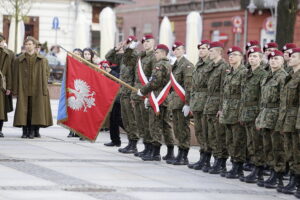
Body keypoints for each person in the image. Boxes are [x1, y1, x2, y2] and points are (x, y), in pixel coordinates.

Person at [255, 50, 287, 189]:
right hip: (265, 115)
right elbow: (262, 100)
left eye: (276, 58)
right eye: (271, 59)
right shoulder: (267, 76)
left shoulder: (283, 77)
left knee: (277, 147)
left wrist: (281, 121)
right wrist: (260, 117)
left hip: (276, 116)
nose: (273, 61)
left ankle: (278, 175)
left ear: (282, 61)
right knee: (267, 146)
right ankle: (272, 172)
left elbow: (284, 102)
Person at [137, 44, 174, 161]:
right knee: (166, 125)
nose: (155, 54)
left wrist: (142, 91)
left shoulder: (159, 65)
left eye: (157, 52)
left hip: (157, 98)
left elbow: (154, 82)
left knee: (155, 125)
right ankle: (170, 152)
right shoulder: (170, 65)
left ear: (163, 53)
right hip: (166, 98)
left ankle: (156, 153)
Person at [12, 36, 53, 139]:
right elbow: (15, 74)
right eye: (26, 44)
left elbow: (47, 74)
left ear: (34, 46)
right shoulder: (19, 60)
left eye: (30, 44)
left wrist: (43, 87)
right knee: (23, 110)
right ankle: (24, 130)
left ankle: (32, 130)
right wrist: (15, 89)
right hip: (24, 89)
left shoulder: (42, 60)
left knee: (35, 110)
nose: (28, 46)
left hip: (37, 89)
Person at [105, 36, 139, 154]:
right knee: (125, 119)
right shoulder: (124, 57)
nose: (127, 45)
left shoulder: (135, 56)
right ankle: (130, 143)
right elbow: (108, 57)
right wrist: (116, 48)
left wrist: (134, 93)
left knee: (130, 119)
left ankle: (133, 143)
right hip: (122, 91)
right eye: (127, 42)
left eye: (130, 43)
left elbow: (137, 76)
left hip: (130, 92)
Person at [240, 47, 268, 183]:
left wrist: (260, 115)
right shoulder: (246, 73)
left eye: (255, 56)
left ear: (261, 58)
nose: (252, 58)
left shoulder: (263, 74)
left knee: (257, 143)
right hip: (246, 112)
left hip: (256, 112)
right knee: (250, 143)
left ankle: (259, 170)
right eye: (250, 56)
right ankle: (255, 168)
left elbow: (264, 97)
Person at [219, 46, 247, 179]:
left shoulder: (244, 73)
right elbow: (224, 94)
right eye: (229, 55)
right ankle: (233, 165)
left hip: (237, 111)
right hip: (227, 110)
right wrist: (221, 109)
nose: (231, 57)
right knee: (229, 140)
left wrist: (242, 113)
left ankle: (238, 167)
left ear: (241, 57)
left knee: (238, 141)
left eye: (235, 55)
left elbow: (244, 96)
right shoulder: (229, 73)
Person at [276, 47, 300, 195]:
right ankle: (293, 179)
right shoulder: (290, 75)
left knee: (298, 151)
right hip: (288, 118)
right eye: (290, 56)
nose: (290, 58)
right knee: (290, 151)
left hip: (297, 118)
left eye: (294, 56)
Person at [203, 41, 229, 174]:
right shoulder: (211, 66)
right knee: (211, 135)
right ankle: (215, 159)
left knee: (219, 135)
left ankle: (221, 161)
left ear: (219, 52)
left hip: (217, 105)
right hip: (209, 104)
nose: (209, 53)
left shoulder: (223, 67)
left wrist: (221, 108)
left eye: (212, 51)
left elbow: (224, 90)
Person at [166, 41, 194, 165]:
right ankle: (180, 152)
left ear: (183, 50)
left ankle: (184, 155)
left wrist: (188, 103)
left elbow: (189, 86)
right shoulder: (175, 65)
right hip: (175, 102)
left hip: (182, 102)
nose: (176, 51)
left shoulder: (187, 65)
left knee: (183, 129)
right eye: (175, 49)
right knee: (177, 129)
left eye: (178, 49)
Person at [188, 40, 211, 170]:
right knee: (199, 132)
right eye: (200, 48)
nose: (201, 50)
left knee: (206, 132)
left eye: (204, 48)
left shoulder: (211, 65)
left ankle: (207, 158)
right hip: (197, 102)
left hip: (205, 103)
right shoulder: (199, 64)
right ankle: (202, 157)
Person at [131, 34, 155, 158]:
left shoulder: (154, 57)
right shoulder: (141, 57)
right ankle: (146, 147)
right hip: (138, 93)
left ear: (153, 42)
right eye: (144, 42)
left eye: (148, 41)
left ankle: (151, 148)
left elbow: (154, 79)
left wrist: (148, 94)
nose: (145, 43)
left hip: (147, 94)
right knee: (140, 122)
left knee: (148, 122)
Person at [102, 60, 123, 147]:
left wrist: (111, 72)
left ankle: (133, 138)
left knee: (120, 119)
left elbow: (120, 79)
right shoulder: (115, 62)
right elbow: (109, 56)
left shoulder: (125, 65)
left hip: (121, 95)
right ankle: (115, 140)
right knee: (112, 119)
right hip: (114, 95)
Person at [67, 48, 83, 138]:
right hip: (71, 88)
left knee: (79, 112)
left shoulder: (84, 65)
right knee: (71, 110)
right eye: (74, 53)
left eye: (78, 54)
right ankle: (70, 130)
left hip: (80, 91)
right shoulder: (70, 64)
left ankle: (77, 130)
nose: (76, 55)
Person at [0, 34, 12, 138]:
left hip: (2, 85)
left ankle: (0, 129)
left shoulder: (8, 54)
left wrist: (9, 87)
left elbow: (10, 72)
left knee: (1, 109)